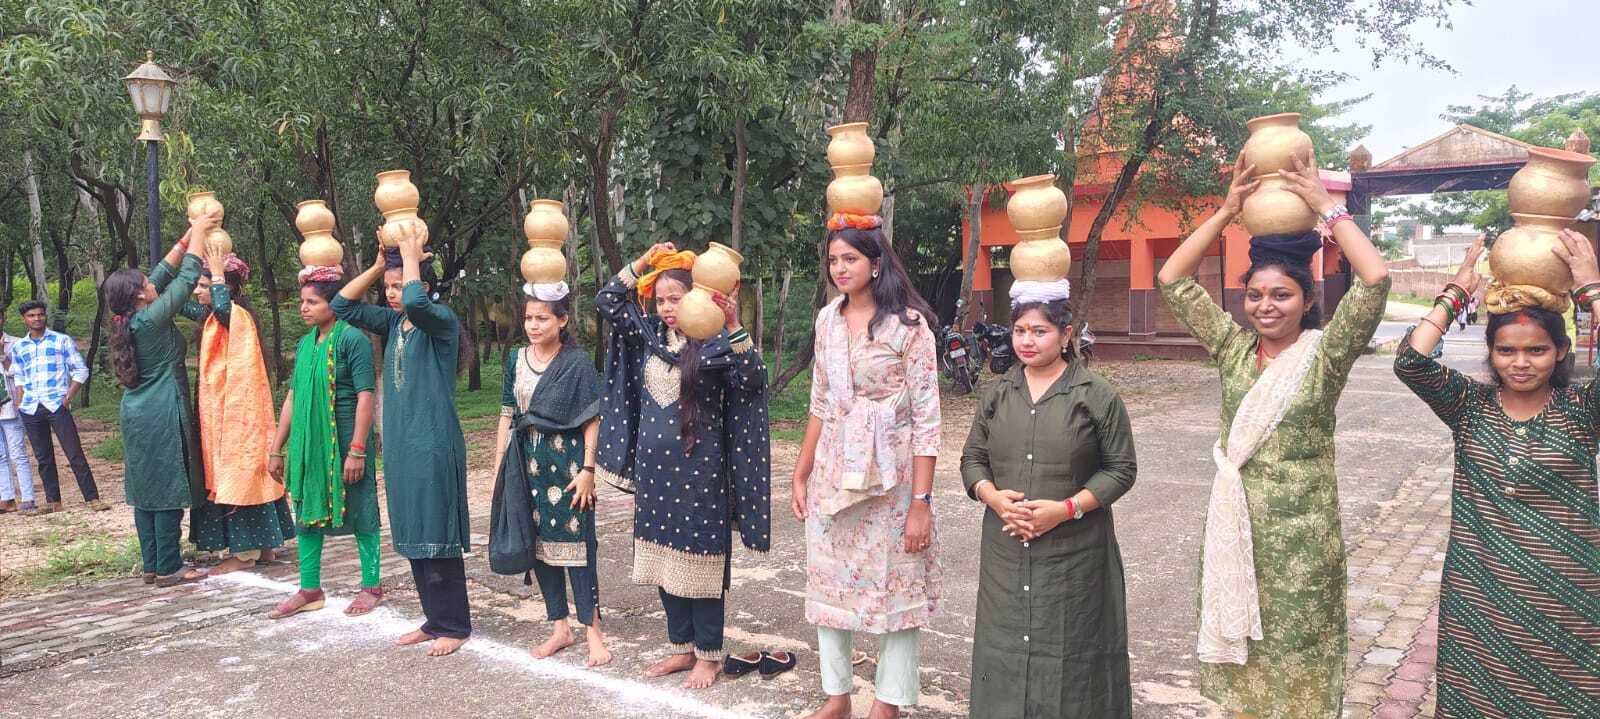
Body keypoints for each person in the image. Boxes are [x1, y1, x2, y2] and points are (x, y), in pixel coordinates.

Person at [1156, 149, 1391, 719]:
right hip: (1238, 533)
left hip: (1304, 541)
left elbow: (1376, 280)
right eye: (1255, 295)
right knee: (1245, 668)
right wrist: (1226, 211)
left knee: (1301, 660)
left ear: (1307, 301)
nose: (1265, 306)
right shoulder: (1232, 349)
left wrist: (1326, 206)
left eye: (1281, 295)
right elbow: (1172, 280)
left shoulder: (1325, 356)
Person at [1395, 231, 1599, 718]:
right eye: (1507, 351)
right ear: (1490, 353)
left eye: (1537, 351)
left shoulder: (1581, 410)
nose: (1521, 363)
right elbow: (1411, 361)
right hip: (1481, 596)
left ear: (1561, 352)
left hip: (1565, 595)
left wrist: (1591, 289)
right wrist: (1456, 292)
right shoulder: (1470, 406)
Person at [595, 243, 770, 689]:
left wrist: (733, 324)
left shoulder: (717, 345)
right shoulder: (650, 337)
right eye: (660, 300)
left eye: (676, 298)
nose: (667, 308)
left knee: (700, 563)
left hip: (701, 475)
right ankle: (681, 647)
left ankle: (708, 655)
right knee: (663, 561)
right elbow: (608, 300)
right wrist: (644, 261)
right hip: (654, 475)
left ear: (696, 296)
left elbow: (753, 379)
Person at [792, 219, 942, 719]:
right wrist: (801, 472)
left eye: (850, 259)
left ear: (876, 263)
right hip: (834, 472)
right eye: (833, 260)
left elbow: (927, 421)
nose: (840, 269)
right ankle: (837, 697)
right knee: (828, 581)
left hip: (892, 479)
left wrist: (920, 504)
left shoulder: (910, 328)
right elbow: (820, 401)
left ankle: (887, 703)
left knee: (896, 585)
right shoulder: (826, 320)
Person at [959, 296, 1137, 718]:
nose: (1028, 341)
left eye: (1040, 331)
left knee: (1074, 651)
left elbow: (1121, 469)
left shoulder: (1096, 395)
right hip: (1005, 551)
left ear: (1065, 335)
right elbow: (972, 458)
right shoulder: (998, 393)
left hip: (1075, 555)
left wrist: (1067, 508)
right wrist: (992, 497)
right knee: (1003, 646)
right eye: (1020, 331)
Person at [333, 225, 471, 657]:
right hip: (400, 447)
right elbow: (341, 305)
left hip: (433, 444)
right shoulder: (395, 323)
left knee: (436, 532)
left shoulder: (440, 321)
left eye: (399, 286)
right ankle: (434, 620)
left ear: (424, 287)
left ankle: (455, 625)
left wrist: (410, 254)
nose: (392, 294)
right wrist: (379, 266)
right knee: (412, 530)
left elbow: (415, 301)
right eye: (388, 288)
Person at [492, 291, 609, 666]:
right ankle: (560, 627)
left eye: (541, 318)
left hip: (569, 468)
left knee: (579, 548)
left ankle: (593, 632)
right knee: (538, 546)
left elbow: (592, 417)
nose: (533, 325)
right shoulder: (516, 359)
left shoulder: (576, 362)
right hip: (525, 466)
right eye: (528, 318)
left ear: (562, 320)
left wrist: (589, 470)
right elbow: (507, 414)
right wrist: (499, 468)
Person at [105, 213, 219, 587]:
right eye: (145, 283)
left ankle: (153, 564)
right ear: (140, 295)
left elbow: (162, 272)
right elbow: (185, 279)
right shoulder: (152, 319)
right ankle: (170, 566)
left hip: (136, 414)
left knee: (146, 490)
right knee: (169, 484)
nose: (151, 283)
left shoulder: (131, 318)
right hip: (162, 411)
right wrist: (199, 234)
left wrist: (187, 237)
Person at [264, 267, 383, 619]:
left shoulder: (353, 340)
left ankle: (372, 585)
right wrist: (277, 448)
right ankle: (310, 588)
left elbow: (366, 395)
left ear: (334, 303)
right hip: (307, 443)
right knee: (306, 511)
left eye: (312, 302)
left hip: (346, 438)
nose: (304, 308)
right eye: (302, 302)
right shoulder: (305, 344)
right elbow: (293, 397)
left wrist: (357, 449)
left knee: (361, 507)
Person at [189, 244, 291, 573]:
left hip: (234, 415)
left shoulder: (232, 314)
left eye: (203, 286)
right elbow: (183, 304)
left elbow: (221, 304)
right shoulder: (215, 316)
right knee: (248, 472)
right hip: (226, 411)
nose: (197, 291)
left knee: (239, 472)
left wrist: (217, 273)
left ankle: (244, 554)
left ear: (225, 287)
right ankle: (264, 548)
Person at [8, 299, 102, 513]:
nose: (37, 318)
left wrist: (67, 397)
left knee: (74, 452)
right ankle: (53, 502)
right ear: (24, 319)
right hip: (31, 407)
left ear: (45, 316)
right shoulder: (19, 347)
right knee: (43, 457)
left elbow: (81, 370)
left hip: (56, 404)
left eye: (40, 314)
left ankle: (92, 498)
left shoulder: (61, 341)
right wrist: (20, 401)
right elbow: (19, 376)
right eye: (31, 315)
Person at [0, 332, 38, 515]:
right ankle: (6, 498)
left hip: (11, 408)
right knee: (0, 456)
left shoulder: (17, 344)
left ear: (3, 319)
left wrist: (2, 355)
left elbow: (22, 374)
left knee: (18, 454)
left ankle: (28, 498)